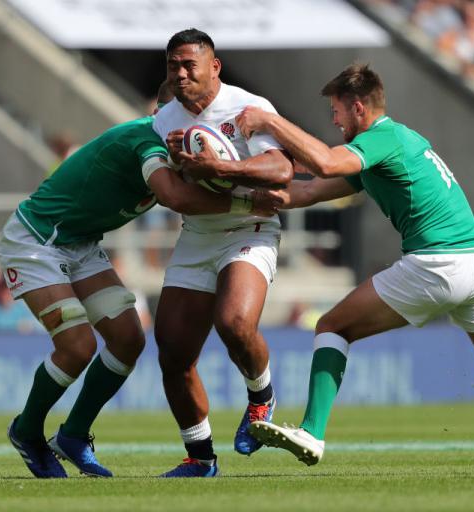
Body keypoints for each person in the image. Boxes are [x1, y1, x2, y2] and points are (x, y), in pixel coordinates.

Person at [234, 63, 474, 466]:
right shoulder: (389, 147)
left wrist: (270, 120)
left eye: (336, 111)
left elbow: (326, 164)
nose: (333, 120)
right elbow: (311, 189)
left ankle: (312, 433)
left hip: (440, 262)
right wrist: (238, 185)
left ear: (358, 108)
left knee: (332, 326)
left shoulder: (381, 137)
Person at [0, 80, 280, 479]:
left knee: (128, 339)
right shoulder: (146, 141)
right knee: (77, 346)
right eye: (172, 118)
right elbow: (175, 198)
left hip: (78, 243)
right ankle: (26, 431)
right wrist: (247, 201)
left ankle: (74, 435)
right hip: (36, 240)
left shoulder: (187, 151)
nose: (179, 127)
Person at [151, 28, 293, 478]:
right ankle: (200, 457)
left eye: (189, 64)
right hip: (198, 234)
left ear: (215, 67)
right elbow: (171, 190)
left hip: (249, 227)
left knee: (233, 321)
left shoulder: (248, 108)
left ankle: (261, 398)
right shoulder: (162, 119)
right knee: (172, 350)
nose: (180, 73)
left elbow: (281, 169)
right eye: (173, 65)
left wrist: (222, 167)